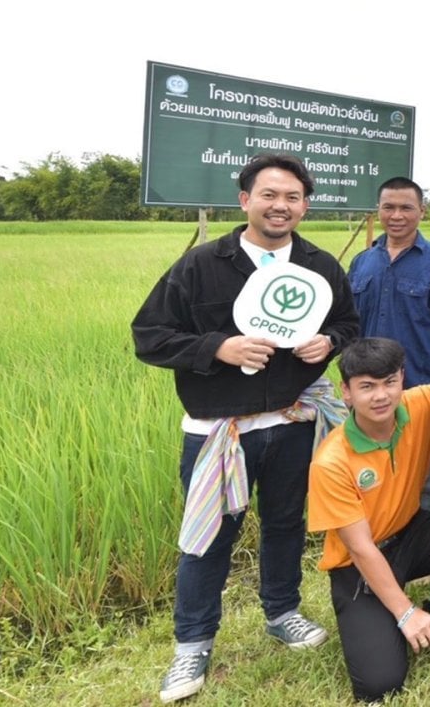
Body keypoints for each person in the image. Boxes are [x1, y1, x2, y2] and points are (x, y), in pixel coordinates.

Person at [132, 153, 359, 703]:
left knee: (285, 523)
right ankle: (192, 645)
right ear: (245, 200)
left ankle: (282, 612)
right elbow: (149, 336)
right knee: (209, 536)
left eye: (292, 197)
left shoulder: (320, 266)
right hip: (219, 429)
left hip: (293, 420)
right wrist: (219, 348)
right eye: (269, 195)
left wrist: (329, 342)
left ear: (305, 205)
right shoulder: (201, 265)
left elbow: (349, 324)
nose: (281, 206)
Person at [307, 329, 430, 703]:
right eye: (367, 386)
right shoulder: (331, 461)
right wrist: (405, 614)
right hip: (359, 563)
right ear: (346, 392)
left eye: (389, 382)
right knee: (380, 683)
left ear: (402, 378)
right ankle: (395, 607)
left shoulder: (421, 404)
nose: (381, 395)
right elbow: (360, 549)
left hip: (411, 535)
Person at [348, 176, 430, 520]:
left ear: (421, 211)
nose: (396, 215)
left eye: (406, 208)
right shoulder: (362, 262)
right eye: (389, 207)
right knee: (374, 478)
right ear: (378, 209)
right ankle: (380, 544)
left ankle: (421, 550)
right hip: (369, 394)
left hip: (420, 391)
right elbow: (350, 326)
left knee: (427, 481)